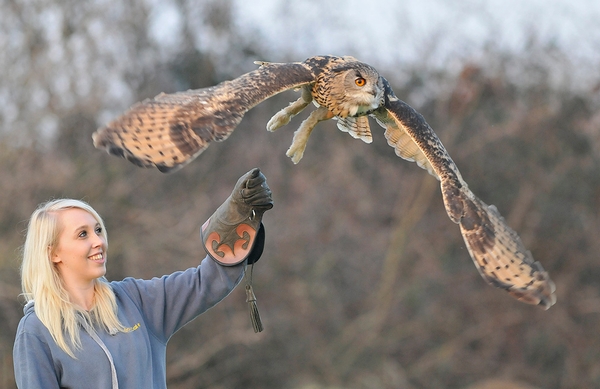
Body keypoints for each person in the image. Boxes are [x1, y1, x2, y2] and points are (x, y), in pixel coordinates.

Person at [13, 168, 273, 389]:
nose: (98, 242)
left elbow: (207, 281)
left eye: (98, 230)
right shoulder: (36, 330)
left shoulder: (136, 301)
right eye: (82, 235)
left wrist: (240, 221)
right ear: (54, 253)